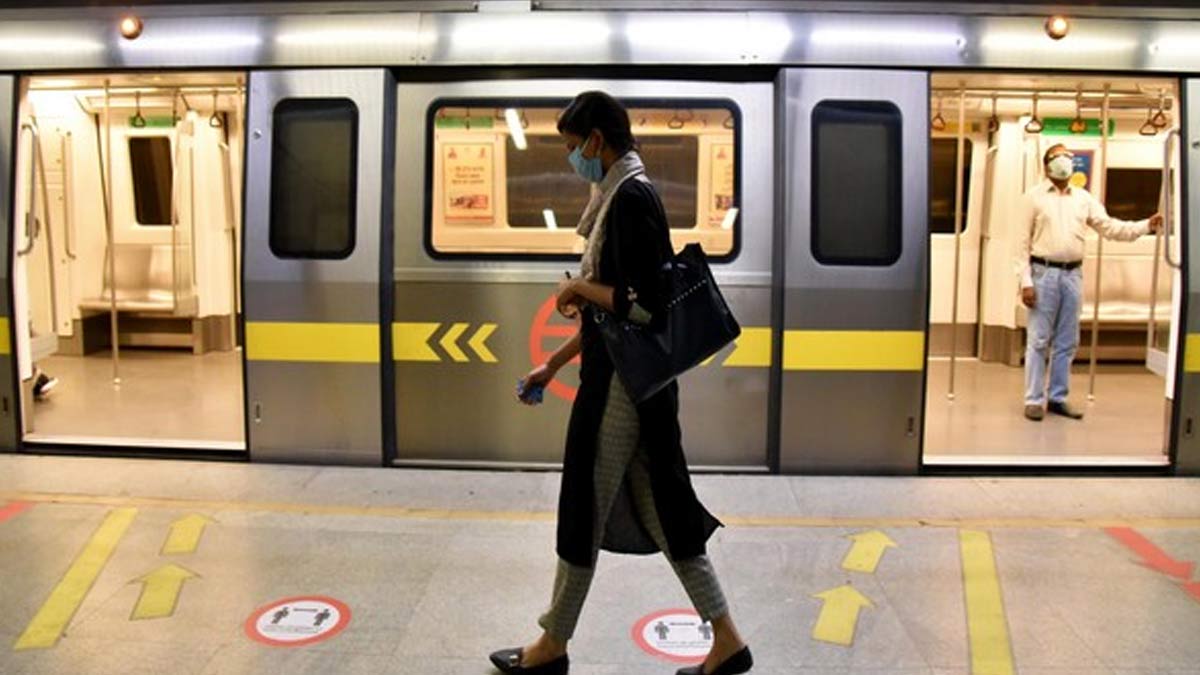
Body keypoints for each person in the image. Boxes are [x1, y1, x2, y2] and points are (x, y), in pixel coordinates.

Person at [490, 92, 752, 675]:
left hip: (619, 390)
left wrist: (578, 288)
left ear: (596, 141)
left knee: (583, 504)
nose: (572, 160)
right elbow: (613, 325)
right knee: (661, 510)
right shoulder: (618, 194)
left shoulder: (631, 198)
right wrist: (554, 364)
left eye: (572, 146)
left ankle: (552, 644)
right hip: (633, 382)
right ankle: (728, 640)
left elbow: (641, 306)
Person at [1015, 143, 1163, 421]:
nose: (1065, 161)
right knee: (1039, 340)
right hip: (1043, 273)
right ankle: (1033, 399)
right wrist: (1025, 282)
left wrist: (1146, 225)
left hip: (1072, 274)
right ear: (1047, 165)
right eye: (1059, 157)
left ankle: (1057, 397)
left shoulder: (1083, 199)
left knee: (1067, 341)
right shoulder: (1032, 198)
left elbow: (1111, 227)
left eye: (1068, 157)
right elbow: (1021, 245)